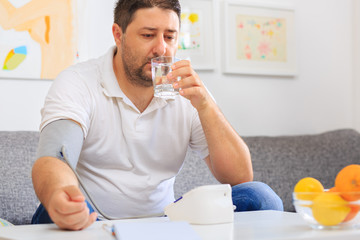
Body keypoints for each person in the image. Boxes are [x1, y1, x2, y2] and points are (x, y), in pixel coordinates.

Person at [31, 0, 283, 231]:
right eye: (148, 35)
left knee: (260, 196)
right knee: (51, 210)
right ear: (119, 35)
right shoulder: (79, 82)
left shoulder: (188, 91)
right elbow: (54, 158)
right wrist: (60, 195)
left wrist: (205, 105)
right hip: (92, 219)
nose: (161, 48)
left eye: (170, 36)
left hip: (163, 221)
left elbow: (239, 177)